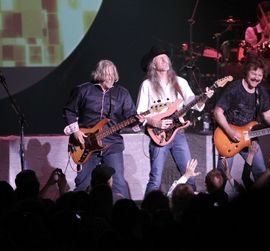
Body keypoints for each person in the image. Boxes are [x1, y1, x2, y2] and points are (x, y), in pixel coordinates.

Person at [136, 45, 214, 195]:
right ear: (153, 64)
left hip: (178, 134)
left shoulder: (180, 82)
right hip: (158, 134)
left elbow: (195, 104)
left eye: (166, 57)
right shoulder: (147, 85)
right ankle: (148, 210)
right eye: (161, 58)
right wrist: (155, 122)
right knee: (155, 179)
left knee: (189, 175)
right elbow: (140, 114)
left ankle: (192, 208)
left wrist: (203, 98)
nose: (166, 59)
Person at [63, 59, 140, 199]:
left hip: (112, 143)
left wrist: (138, 120)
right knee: (83, 183)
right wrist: (76, 131)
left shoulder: (121, 93)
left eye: (113, 74)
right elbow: (69, 111)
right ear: (99, 74)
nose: (111, 77)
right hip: (86, 144)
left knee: (118, 182)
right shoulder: (84, 90)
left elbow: (131, 116)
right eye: (107, 74)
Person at [213, 55, 270, 181]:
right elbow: (217, 112)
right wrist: (229, 131)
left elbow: (268, 115)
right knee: (221, 177)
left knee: (261, 174)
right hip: (227, 137)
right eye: (253, 74)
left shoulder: (261, 92)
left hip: (250, 139)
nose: (256, 78)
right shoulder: (234, 88)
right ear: (246, 72)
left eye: (259, 75)